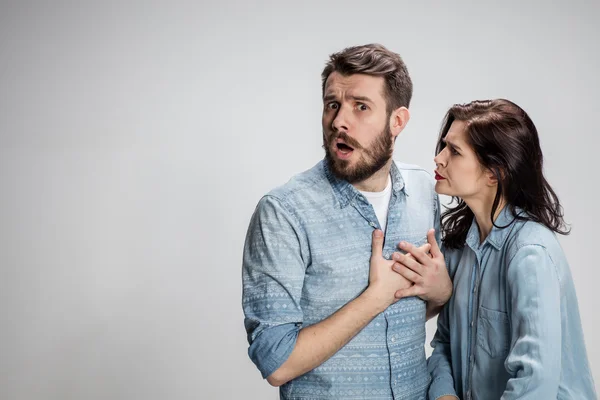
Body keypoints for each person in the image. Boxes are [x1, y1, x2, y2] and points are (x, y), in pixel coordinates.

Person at [241, 43, 453, 399]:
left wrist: (442, 292)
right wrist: (374, 298)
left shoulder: (423, 192)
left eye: (361, 107)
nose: (339, 120)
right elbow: (275, 362)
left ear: (397, 121)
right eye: (332, 104)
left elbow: (405, 313)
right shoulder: (283, 212)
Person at [391, 99, 597, 399]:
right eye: (444, 146)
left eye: (455, 151)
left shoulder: (530, 254)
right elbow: (443, 346)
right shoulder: (458, 251)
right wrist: (444, 396)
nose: (438, 158)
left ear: (494, 173)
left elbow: (534, 382)